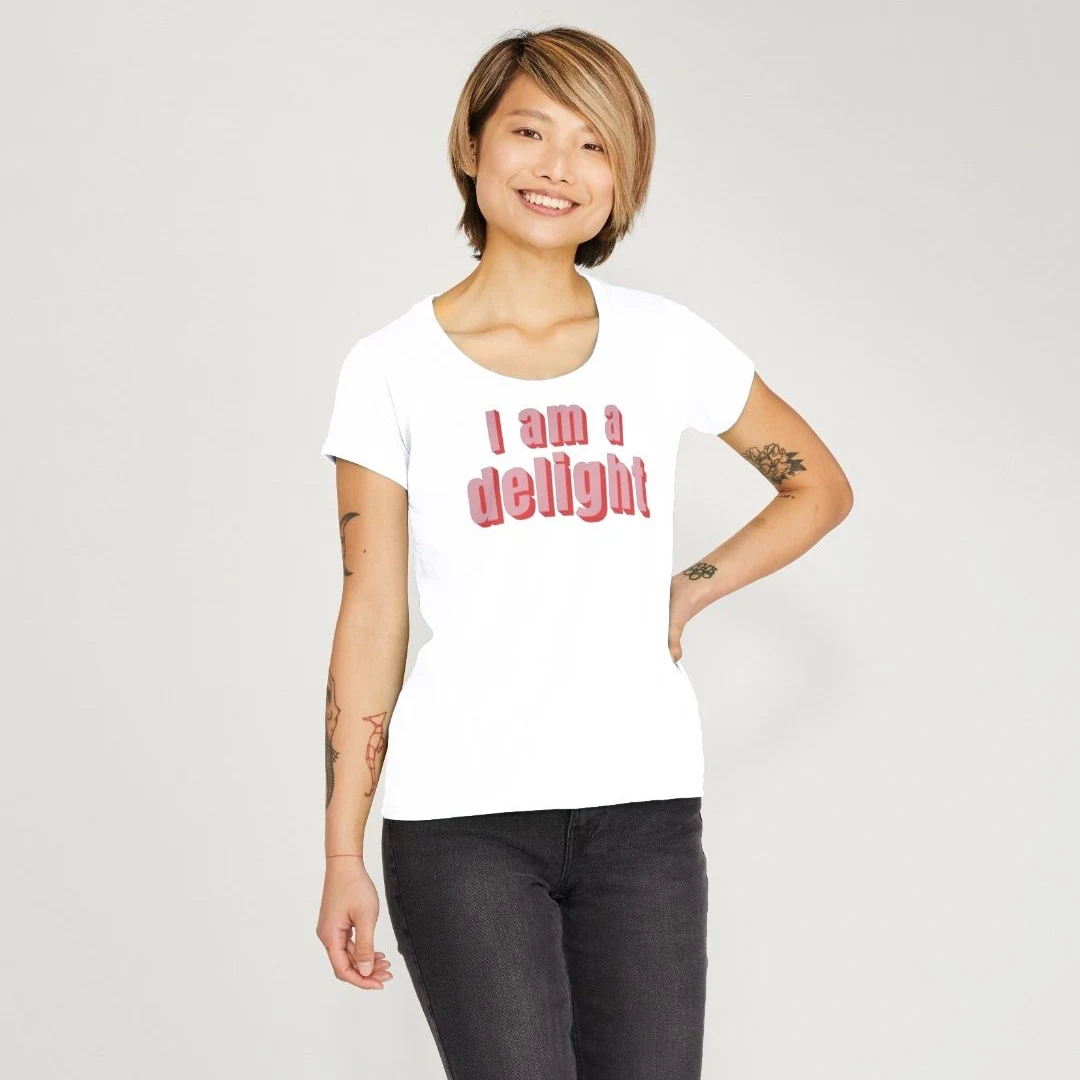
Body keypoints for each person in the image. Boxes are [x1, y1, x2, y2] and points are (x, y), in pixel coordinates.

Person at [314, 25, 853, 1080]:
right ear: (473, 145)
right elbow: (371, 612)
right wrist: (342, 848)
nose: (558, 166)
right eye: (530, 131)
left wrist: (686, 592)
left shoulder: (665, 341)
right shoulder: (390, 369)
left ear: (622, 177)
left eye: (594, 143)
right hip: (462, 827)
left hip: (643, 816)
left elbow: (818, 486)